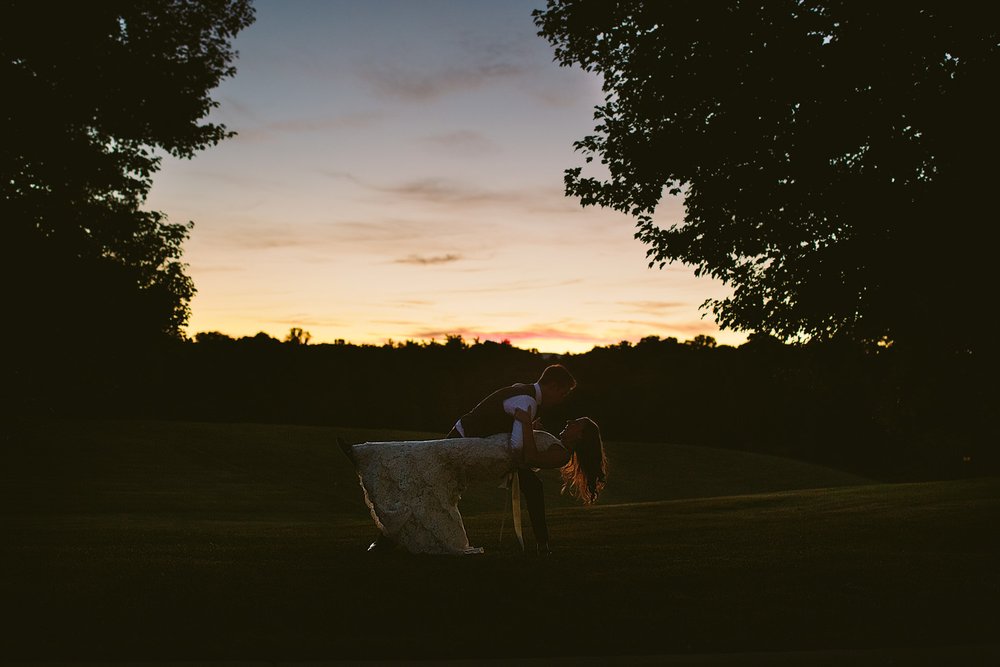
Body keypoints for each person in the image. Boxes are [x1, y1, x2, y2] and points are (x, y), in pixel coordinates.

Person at [340, 412, 606, 555]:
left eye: (576, 424)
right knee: (429, 461)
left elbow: (528, 456)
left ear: (581, 437)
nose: (569, 422)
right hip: (488, 447)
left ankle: (364, 454)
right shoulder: (556, 444)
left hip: (489, 456)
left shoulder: (562, 454)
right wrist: (530, 428)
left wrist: (525, 426)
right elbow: (526, 447)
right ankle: (365, 456)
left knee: (428, 454)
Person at [445, 364, 577, 555]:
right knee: (446, 488)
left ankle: (542, 542)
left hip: (478, 442)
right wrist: (527, 434)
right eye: (562, 393)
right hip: (462, 441)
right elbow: (516, 445)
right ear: (554, 386)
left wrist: (527, 428)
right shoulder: (527, 401)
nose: (561, 399)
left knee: (533, 486)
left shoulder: (526, 393)